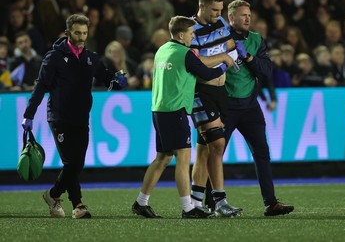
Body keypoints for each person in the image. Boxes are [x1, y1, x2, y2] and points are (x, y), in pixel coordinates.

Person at [21, 14, 128, 219]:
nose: (81, 37)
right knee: (72, 162)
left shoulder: (91, 58)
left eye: (85, 33)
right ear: (67, 32)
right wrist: (29, 115)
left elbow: (108, 80)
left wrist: (118, 82)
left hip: (81, 118)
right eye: (77, 32)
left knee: (76, 163)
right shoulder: (54, 57)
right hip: (59, 117)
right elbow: (41, 86)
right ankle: (78, 205)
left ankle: (53, 195)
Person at [131, 15, 233, 219]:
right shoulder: (185, 53)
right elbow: (207, 74)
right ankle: (189, 208)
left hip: (159, 109)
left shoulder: (162, 50)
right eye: (191, 33)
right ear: (180, 34)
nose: (193, 37)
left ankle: (141, 202)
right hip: (175, 110)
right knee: (183, 158)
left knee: (163, 157)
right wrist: (224, 61)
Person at [225, 0, 294, 216]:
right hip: (225, 105)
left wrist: (247, 56)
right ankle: (212, 201)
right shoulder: (220, 39)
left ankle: (270, 203)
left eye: (249, 14)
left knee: (262, 153)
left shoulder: (256, 39)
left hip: (249, 107)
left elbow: (266, 70)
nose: (247, 18)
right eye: (243, 15)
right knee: (214, 154)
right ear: (231, 17)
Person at [189, 0, 242, 217]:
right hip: (201, 92)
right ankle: (220, 201)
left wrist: (226, 59)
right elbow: (197, 65)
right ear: (202, 6)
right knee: (217, 145)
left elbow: (232, 49)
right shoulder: (191, 29)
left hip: (221, 91)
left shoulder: (220, 22)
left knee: (203, 150)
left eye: (220, 10)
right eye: (214, 10)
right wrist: (222, 61)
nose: (218, 14)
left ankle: (195, 203)